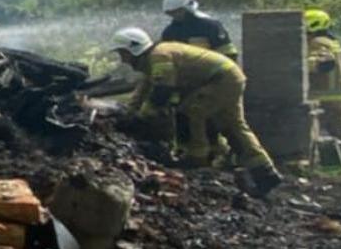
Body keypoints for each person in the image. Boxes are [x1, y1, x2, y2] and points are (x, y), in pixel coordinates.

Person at [111, 27, 281, 195]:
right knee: (233, 126)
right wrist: (130, 111)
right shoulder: (154, 58)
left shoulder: (160, 56)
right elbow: (145, 88)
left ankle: (196, 159)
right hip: (229, 76)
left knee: (191, 111)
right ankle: (265, 173)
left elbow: (162, 90)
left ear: (133, 49)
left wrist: (141, 117)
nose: (122, 59)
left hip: (220, 79)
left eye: (122, 53)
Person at [305, 9, 341, 152]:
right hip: (336, 90)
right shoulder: (331, 41)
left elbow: (325, 61)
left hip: (324, 92)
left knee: (329, 125)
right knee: (338, 124)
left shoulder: (317, 42)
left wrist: (300, 64)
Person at [158, 0, 237, 58]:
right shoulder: (169, 31)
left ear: (187, 8)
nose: (174, 15)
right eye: (170, 13)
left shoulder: (211, 26)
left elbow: (229, 54)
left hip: (211, 72)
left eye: (177, 11)